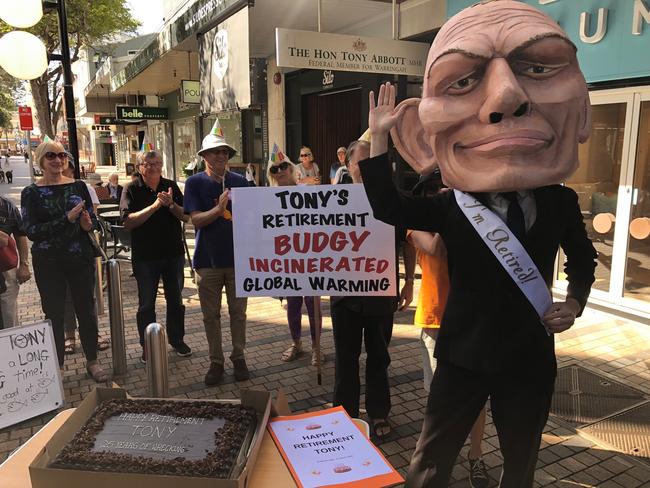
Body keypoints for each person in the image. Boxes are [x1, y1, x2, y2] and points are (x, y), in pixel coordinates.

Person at [360, 2, 598, 485]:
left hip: (530, 355)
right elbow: (389, 207)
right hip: (463, 355)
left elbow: (583, 258)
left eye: (535, 68)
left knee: (521, 460)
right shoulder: (453, 204)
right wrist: (380, 141)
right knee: (431, 460)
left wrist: (574, 303)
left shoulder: (559, 202)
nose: (505, 101)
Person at [408, 170, 489, 488]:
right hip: (434, 319)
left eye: (448, 188)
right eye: (435, 190)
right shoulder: (418, 227)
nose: (441, 194)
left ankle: (476, 456)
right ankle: (440, 458)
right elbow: (437, 248)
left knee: (476, 396)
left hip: (472, 320)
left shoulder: (478, 221)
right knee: (439, 399)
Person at [331, 138, 416, 441]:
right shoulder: (332, 201)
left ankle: (378, 412)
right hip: (344, 297)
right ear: (348, 165)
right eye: (360, 161)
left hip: (381, 293)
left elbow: (409, 241)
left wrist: (407, 281)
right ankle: (345, 415)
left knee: (379, 356)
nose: (366, 167)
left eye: (373, 160)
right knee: (345, 357)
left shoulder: (394, 200)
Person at [21, 141, 108, 382]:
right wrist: (67, 218)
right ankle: (57, 365)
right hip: (48, 262)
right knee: (53, 313)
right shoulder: (31, 192)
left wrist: (87, 224)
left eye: (61, 155)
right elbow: (32, 231)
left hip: (79, 257)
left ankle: (92, 360)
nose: (57, 160)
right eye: (50, 156)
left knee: (86, 311)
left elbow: (91, 222)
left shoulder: (79, 186)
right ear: (40, 160)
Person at [183, 120, 250, 385]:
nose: (221, 156)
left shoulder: (242, 183)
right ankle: (216, 361)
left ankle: (239, 356)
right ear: (204, 156)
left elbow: (254, 219)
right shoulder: (194, 183)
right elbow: (195, 220)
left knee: (239, 313)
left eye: (224, 152)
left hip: (238, 261)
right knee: (210, 315)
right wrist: (219, 209)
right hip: (207, 261)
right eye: (215, 152)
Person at [121, 150, 191, 363]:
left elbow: (186, 216)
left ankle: (177, 340)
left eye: (157, 163)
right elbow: (128, 222)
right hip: (145, 257)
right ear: (139, 167)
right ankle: (147, 345)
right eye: (147, 163)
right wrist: (154, 206)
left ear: (162, 165)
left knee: (176, 300)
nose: (152, 167)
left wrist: (170, 204)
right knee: (146, 303)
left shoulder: (170, 185)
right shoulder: (131, 189)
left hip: (173, 253)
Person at [266, 155, 324, 366]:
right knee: (293, 304)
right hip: (287, 261)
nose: (280, 171)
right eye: (274, 169)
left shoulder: (308, 192)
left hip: (309, 259)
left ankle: (317, 347)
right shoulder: (268, 198)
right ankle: (297, 343)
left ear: (291, 169)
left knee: (312, 303)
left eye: (283, 166)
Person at [0, 195, 31, 328]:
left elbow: (20, 234)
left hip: (6, 271)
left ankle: (11, 348)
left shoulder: (6, 205)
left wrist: (24, 264)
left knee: (9, 318)